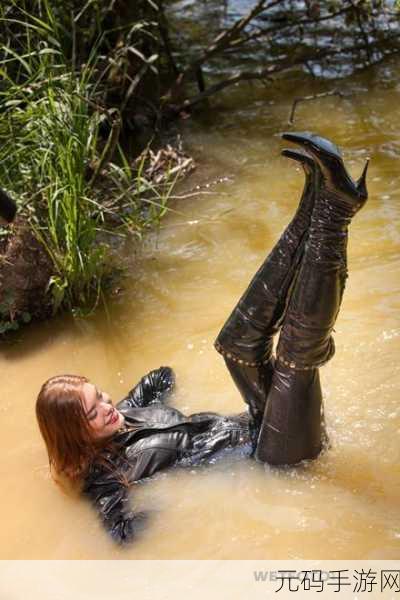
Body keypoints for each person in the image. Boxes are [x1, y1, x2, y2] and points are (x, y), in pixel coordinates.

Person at [36, 132, 369, 544]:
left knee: (234, 346)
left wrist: (135, 400)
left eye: (100, 396)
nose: (106, 407)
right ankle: (335, 214)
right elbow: (124, 537)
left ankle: (316, 198)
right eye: (92, 413)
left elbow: (158, 378)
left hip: (259, 419)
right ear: (74, 435)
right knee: (293, 358)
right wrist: (157, 509)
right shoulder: (104, 483)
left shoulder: (125, 413)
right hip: (275, 458)